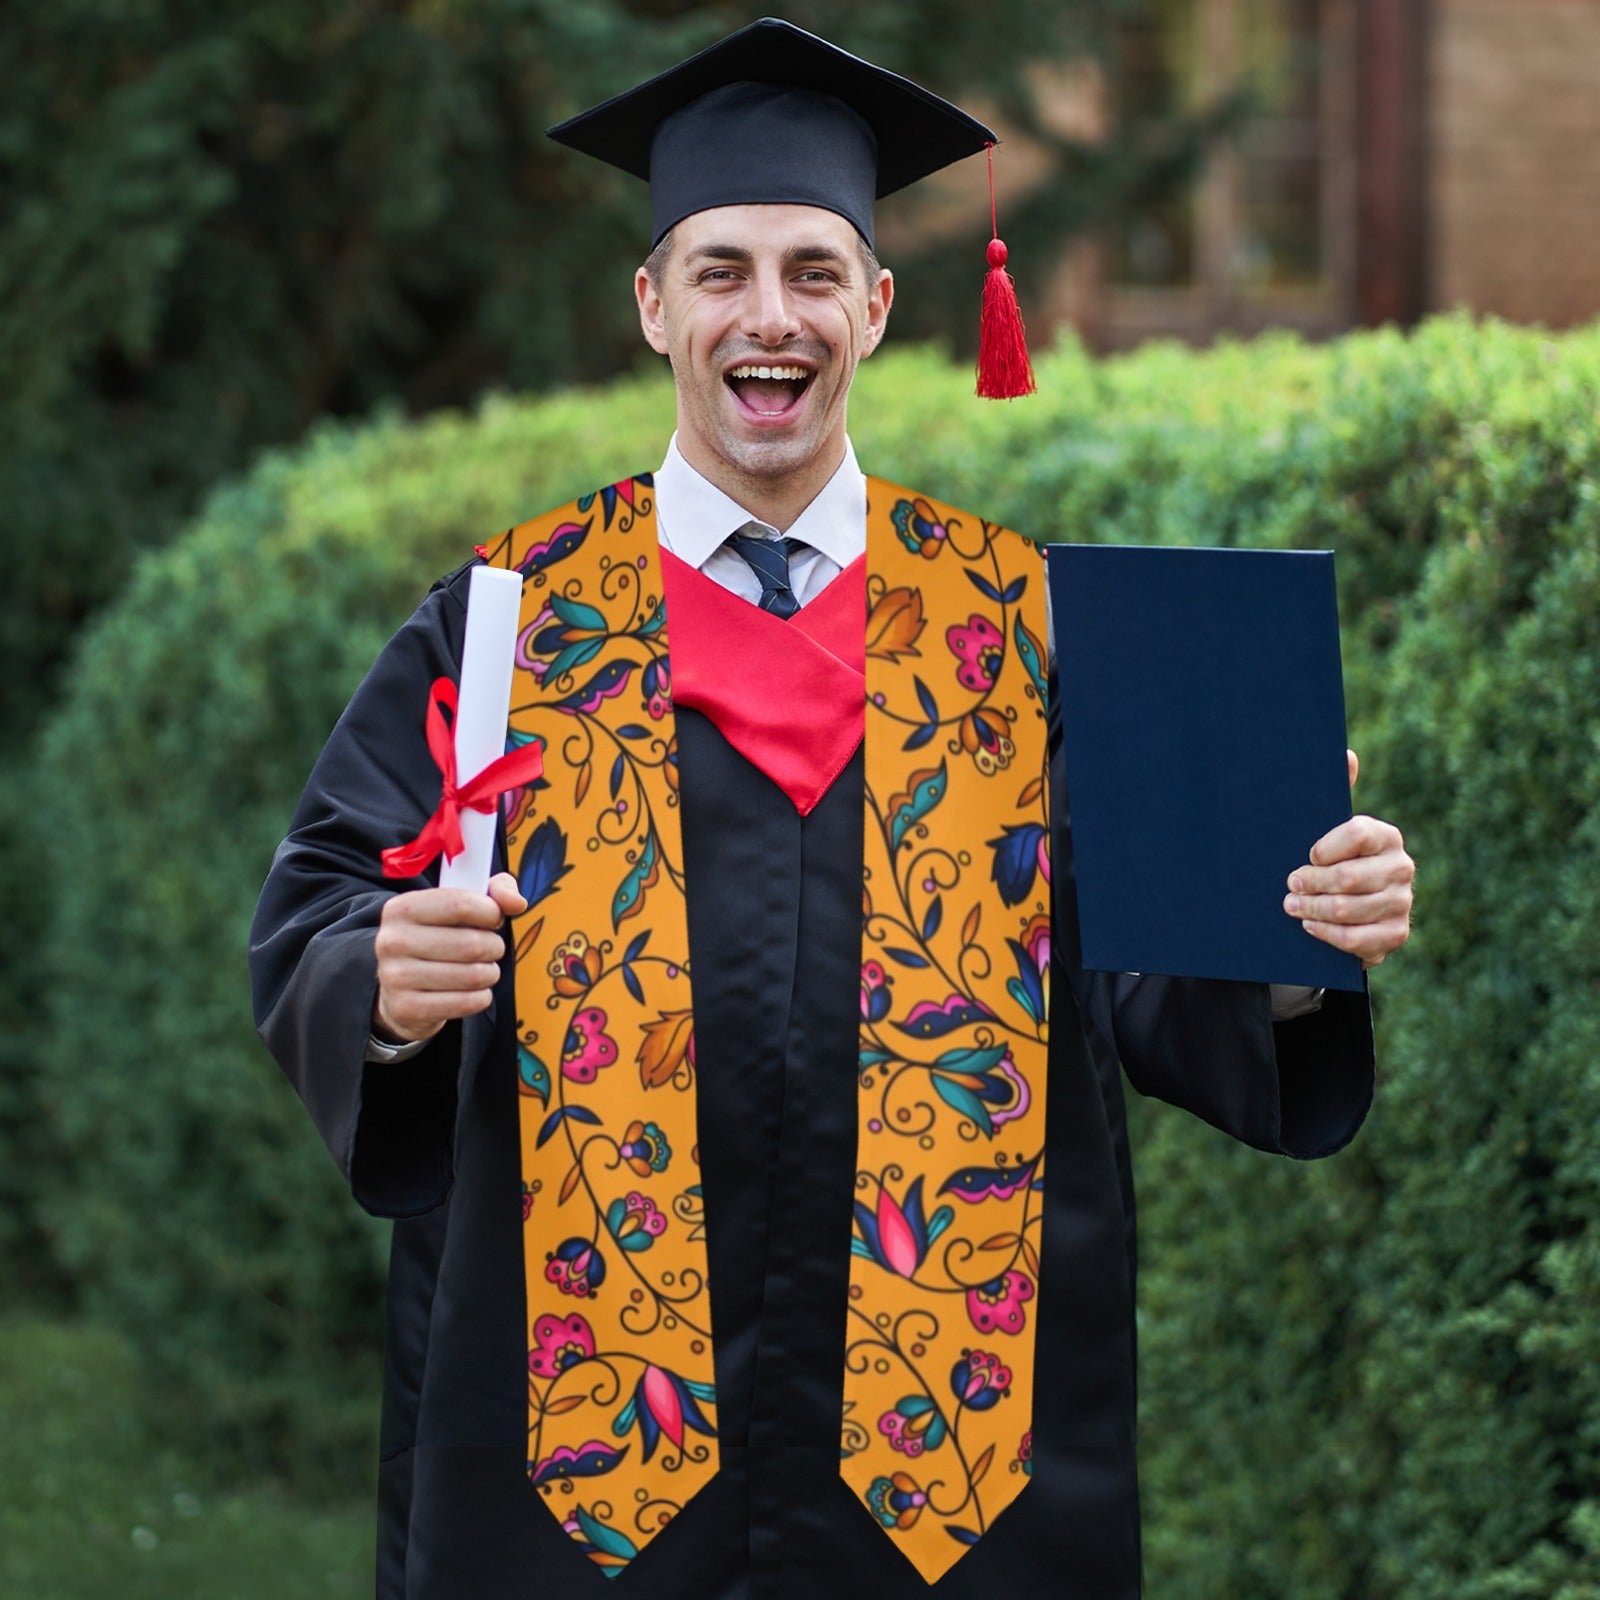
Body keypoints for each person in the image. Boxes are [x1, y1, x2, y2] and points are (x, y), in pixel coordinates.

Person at [249, 19, 1414, 1600]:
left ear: (876, 305)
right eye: (721, 270)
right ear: (654, 305)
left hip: (956, 1464)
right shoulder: (514, 625)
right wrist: (379, 983)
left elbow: (1151, 977)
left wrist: (1292, 935)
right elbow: (323, 902)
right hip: (585, 1461)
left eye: (812, 270)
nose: (768, 316)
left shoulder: (1028, 630)